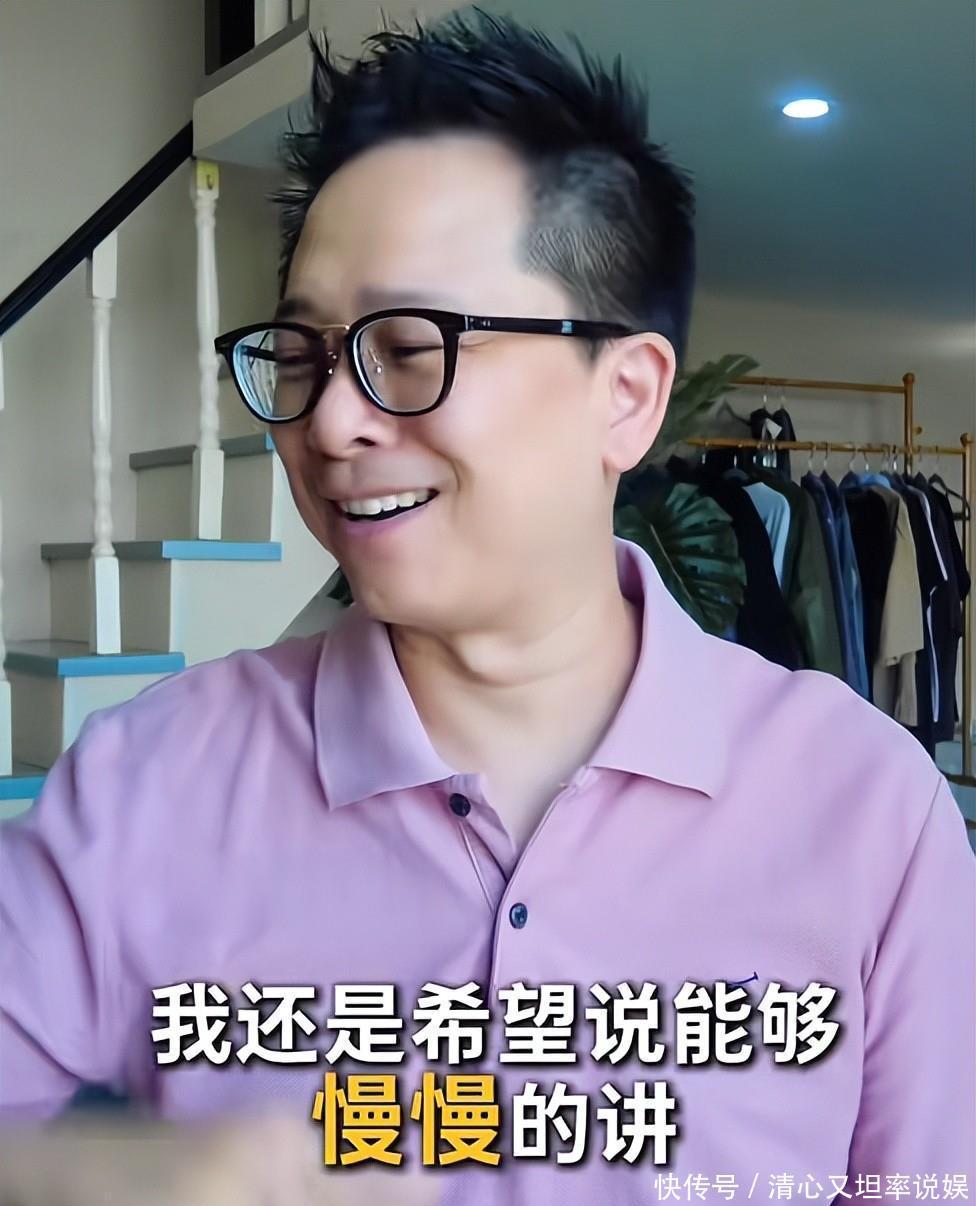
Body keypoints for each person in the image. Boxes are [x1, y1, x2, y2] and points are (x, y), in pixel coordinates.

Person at [1, 11, 973, 1205]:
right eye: (302, 355)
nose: (330, 422)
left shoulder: (868, 812)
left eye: (410, 347)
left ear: (626, 397)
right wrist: (132, 1176)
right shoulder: (145, 786)